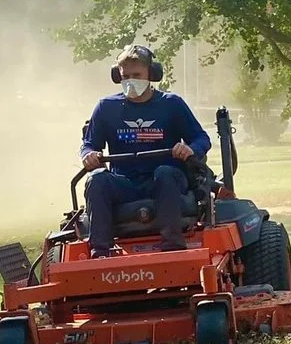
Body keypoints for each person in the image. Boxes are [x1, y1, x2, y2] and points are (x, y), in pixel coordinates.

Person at [80, 44, 212, 258]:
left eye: (137, 75)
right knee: (97, 180)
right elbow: (89, 145)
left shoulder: (172, 104)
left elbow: (201, 138)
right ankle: (99, 253)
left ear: (152, 74)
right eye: (126, 76)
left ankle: (172, 246)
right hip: (125, 183)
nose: (131, 80)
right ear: (118, 76)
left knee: (164, 172)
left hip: (165, 180)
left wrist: (190, 149)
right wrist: (89, 155)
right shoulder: (106, 108)